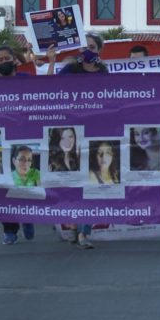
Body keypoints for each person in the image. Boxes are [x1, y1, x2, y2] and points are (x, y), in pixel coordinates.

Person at [55, 33, 107, 248]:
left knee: (92, 181)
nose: (87, 50)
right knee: (74, 182)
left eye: (92, 47)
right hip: (71, 132)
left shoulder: (103, 71)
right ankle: (74, 225)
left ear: (98, 51)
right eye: (84, 47)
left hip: (95, 131)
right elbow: (52, 92)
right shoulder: (69, 70)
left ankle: (84, 231)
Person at [0, 45, 36, 245]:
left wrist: (51, 63)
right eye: (0, 60)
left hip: (24, 137)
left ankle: (27, 216)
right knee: (4, 187)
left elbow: (50, 90)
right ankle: (9, 228)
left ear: (14, 61)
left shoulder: (26, 81)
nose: (4, 62)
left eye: (7, 58)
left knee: (24, 181)